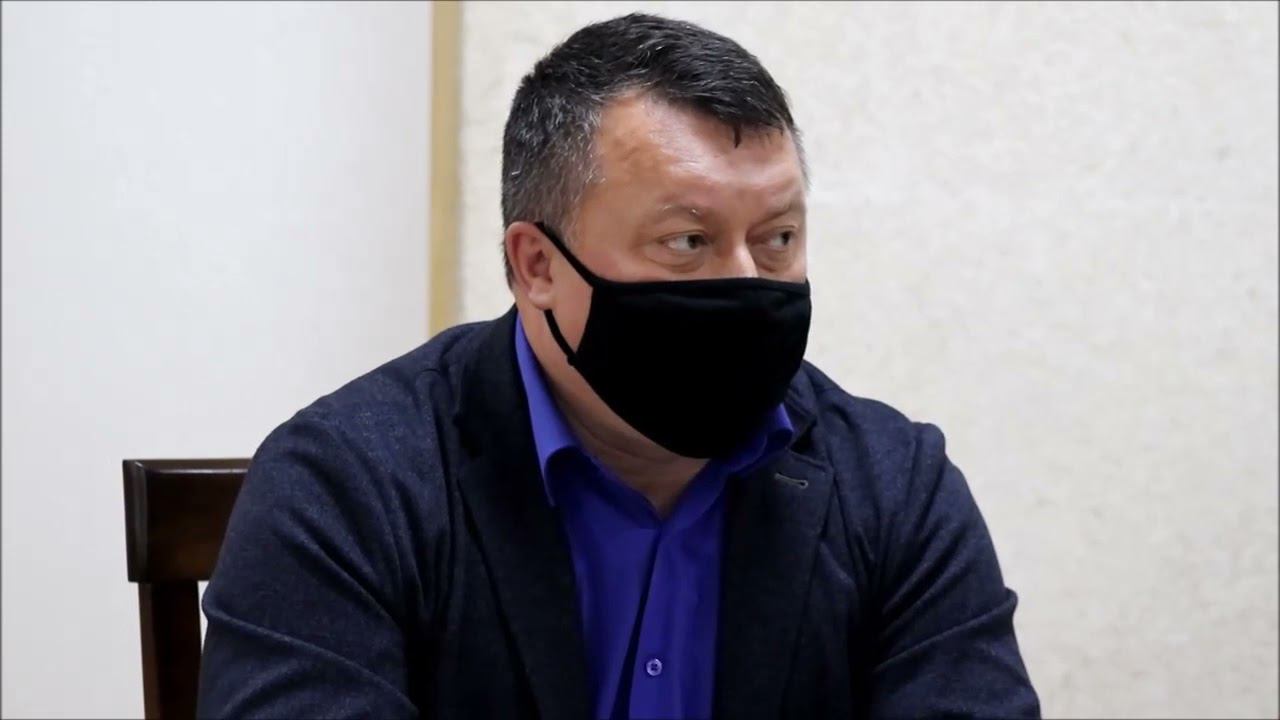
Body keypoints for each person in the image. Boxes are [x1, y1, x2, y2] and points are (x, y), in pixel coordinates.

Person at [197, 13, 1040, 720]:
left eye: (778, 238)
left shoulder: (897, 489)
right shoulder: (348, 485)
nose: (746, 283)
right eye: (688, 241)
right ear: (536, 265)